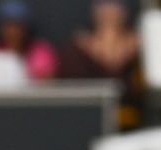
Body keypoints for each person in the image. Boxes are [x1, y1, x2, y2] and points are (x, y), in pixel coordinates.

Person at [57, 0, 143, 129]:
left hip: (134, 126)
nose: (109, 12)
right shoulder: (76, 49)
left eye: (114, 6)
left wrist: (122, 55)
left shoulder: (142, 49)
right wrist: (96, 51)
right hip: (83, 122)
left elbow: (138, 92)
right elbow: (71, 88)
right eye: (103, 7)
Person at [0, 1, 57, 87]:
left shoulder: (40, 50)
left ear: (27, 27)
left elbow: (46, 82)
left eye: (17, 26)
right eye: (8, 25)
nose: (13, 31)